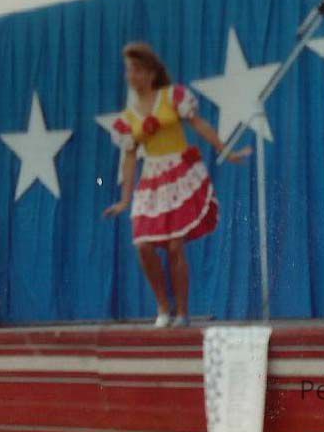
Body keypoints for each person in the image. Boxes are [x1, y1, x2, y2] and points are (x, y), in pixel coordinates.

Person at [103, 42, 251, 328]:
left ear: (150, 73)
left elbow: (200, 125)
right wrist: (124, 200)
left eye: (136, 70)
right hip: (153, 179)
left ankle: (182, 312)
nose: (131, 76)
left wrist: (226, 151)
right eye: (128, 70)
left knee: (174, 246)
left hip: (180, 173)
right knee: (143, 245)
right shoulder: (127, 119)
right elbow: (130, 159)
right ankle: (163, 306)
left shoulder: (173, 96)